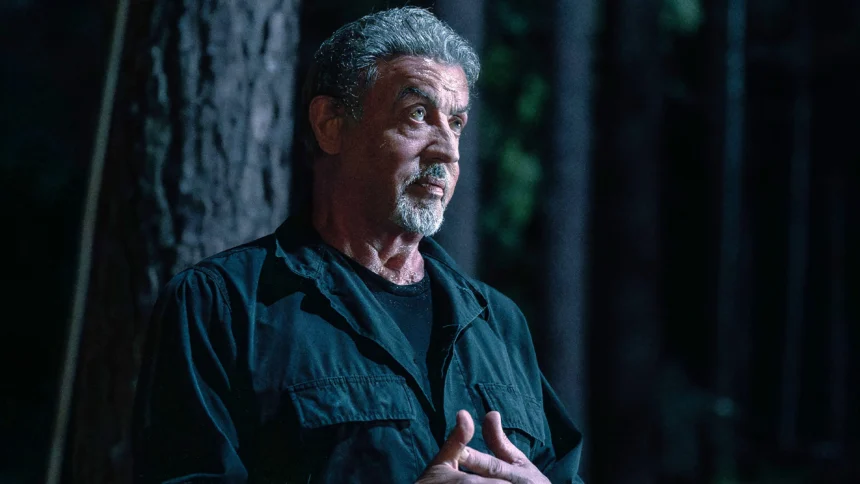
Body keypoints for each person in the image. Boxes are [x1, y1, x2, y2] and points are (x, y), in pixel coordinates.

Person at [133, 7, 584, 483]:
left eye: (455, 123)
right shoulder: (219, 306)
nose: (448, 150)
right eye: (417, 115)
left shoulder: (499, 323)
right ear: (330, 123)